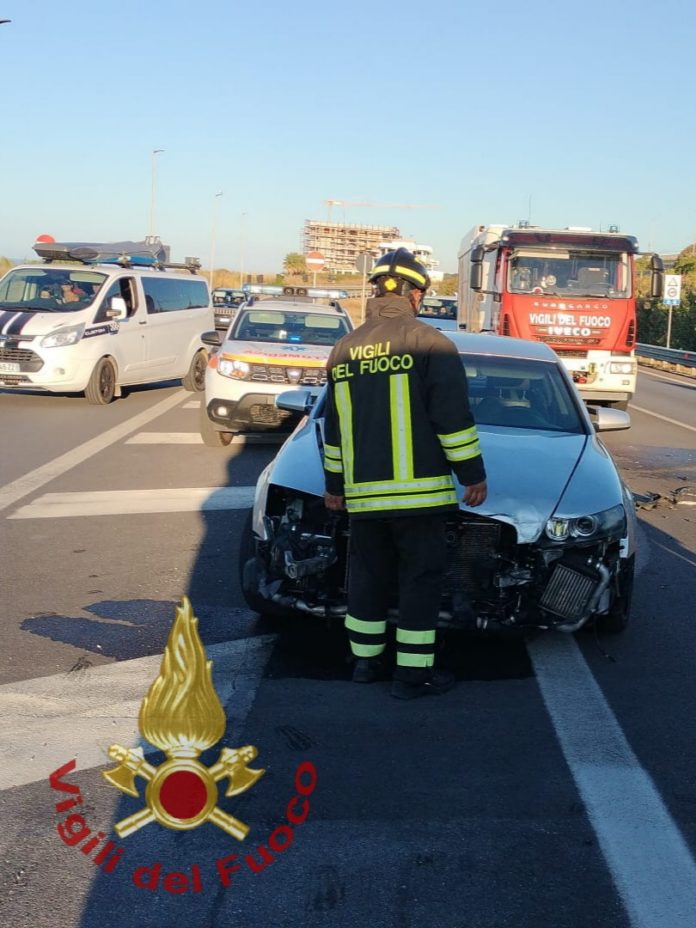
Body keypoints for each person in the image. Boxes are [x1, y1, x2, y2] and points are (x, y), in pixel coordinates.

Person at [323, 248, 487, 700]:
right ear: (415, 295)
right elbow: (452, 419)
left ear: (377, 292)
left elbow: (333, 429)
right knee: (419, 581)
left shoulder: (344, 348)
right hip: (420, 500)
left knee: (368, 579)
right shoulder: (431, 342)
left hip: (364, 500)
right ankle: (412, 676)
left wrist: (334, 486)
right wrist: (472, 474)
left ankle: (365, 663)